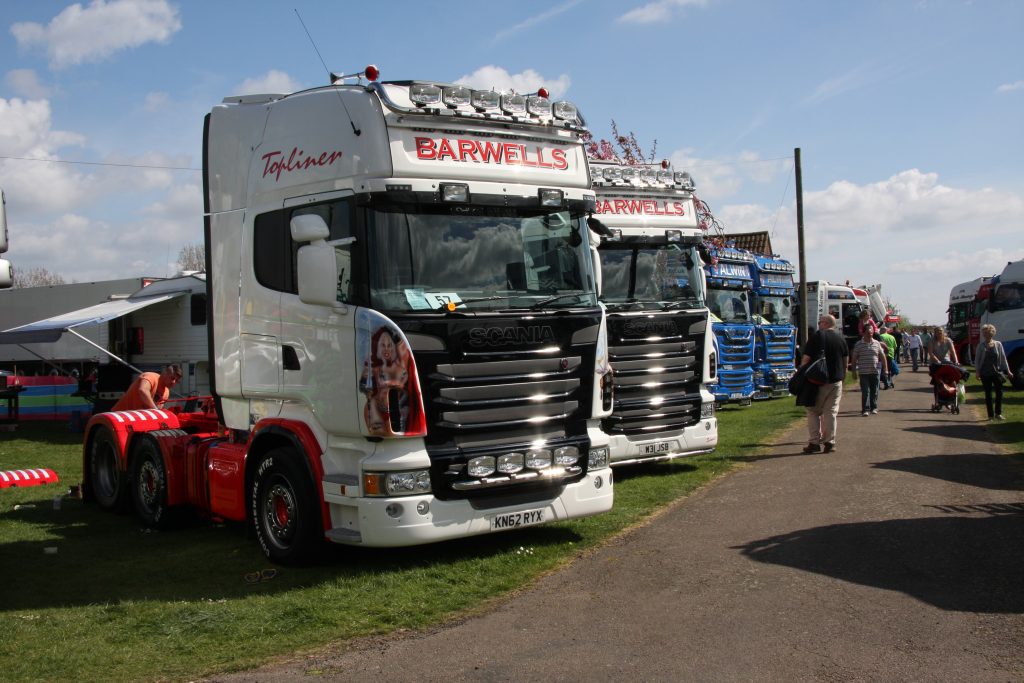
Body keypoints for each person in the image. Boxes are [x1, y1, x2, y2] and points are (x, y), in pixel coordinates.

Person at [800, 314, 849, 454]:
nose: (819, 324)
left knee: (813, 411)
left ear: (826, 323)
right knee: (831, 412)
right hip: (836, 381)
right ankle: (830, 442)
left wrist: (802, 375)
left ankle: (814, 442)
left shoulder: (817, 337)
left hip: (818, 380)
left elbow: (806, 359)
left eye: (820, 322)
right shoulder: (841, 339)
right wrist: (843, 379)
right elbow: (845, 361)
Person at [849, 322, 888, 416]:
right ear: (864, 333)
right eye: (868, 332)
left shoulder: (877, 343)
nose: (870, 333)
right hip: (863, 372)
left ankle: (873, 407)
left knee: (874, 391)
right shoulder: (859, 344)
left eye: (872, 331)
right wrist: (854, 372)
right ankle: (865, 409)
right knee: (866, 392)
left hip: (875, 371)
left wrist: (885, 369)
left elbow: (882, 356)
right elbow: (854, 359)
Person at [975, 324, 1011, 420]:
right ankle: (990, 415)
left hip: (996, 373)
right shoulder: (980, 346)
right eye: (985, 333)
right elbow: (977, 360)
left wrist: (1008, 370)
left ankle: (998, 413)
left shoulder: (998, 344)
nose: (987, 335)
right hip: (985, 373)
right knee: (988, 394)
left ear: (993, 333)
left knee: (999, 393)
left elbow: (1003, 358)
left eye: (989, 333)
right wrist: (977, 372)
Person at [111, 364, 182, 411]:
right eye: (172, 378)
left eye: (177, 381)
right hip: (120, 415)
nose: (174, 382)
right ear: (165, 373)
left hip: (137, 420)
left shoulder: (166, 392)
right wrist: (155, 410)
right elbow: (142, 390)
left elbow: (158, 409)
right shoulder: (150, 377)